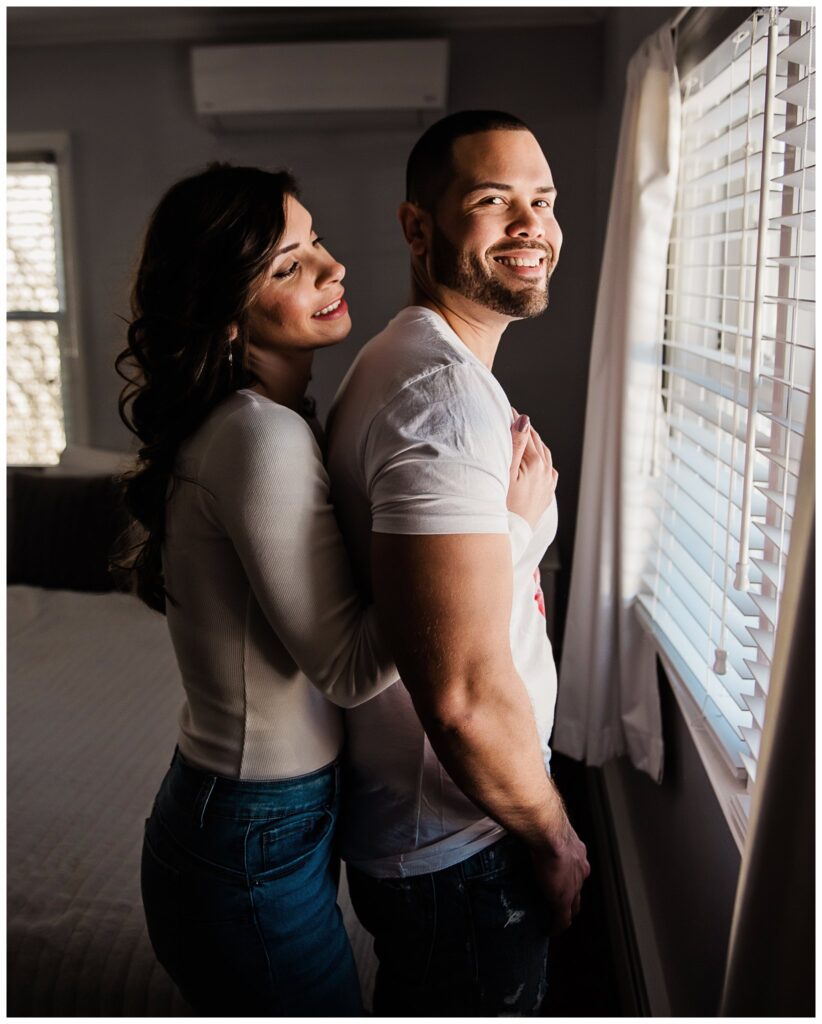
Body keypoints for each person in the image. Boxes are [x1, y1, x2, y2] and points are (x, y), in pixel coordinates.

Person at [115, 163, 556, 1016]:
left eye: (314, 240)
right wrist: (513, 529)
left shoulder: (274, 424)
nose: (332, 267)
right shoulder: (257, 437)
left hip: (265, 819)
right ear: (225, 312)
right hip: (251, 833)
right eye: (288, 266)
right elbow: (351, 670)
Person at [326, 110, 590, 1016]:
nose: (533, 228)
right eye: (493, 201)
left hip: (455, 824)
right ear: (417, 227)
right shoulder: (440, 398)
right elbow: (463, 695)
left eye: (544, 201)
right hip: (459, 841)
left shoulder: (422, 362)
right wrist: (555, 834)